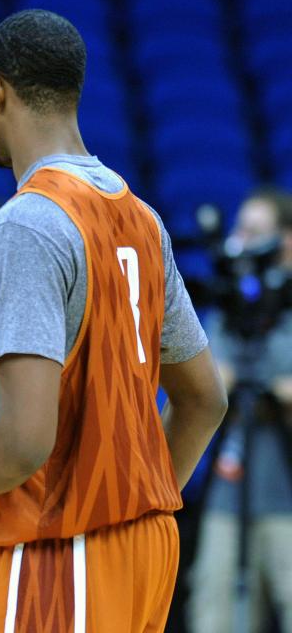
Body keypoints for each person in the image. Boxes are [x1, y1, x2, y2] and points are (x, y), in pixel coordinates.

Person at [0, 10, 228, 632]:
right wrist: (141, 505)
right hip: (146, 548)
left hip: (60, 553)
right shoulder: (139, 214)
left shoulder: (25, 224)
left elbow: (25, 440)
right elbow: (205, 399)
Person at [188, 189, 292, 633]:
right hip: (228, 491)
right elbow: (202, 395)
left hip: (286, 492)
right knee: (215, 612)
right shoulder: (229, 310)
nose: (241, 240)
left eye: (255, 231)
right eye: (240, 229)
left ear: (285, 242)